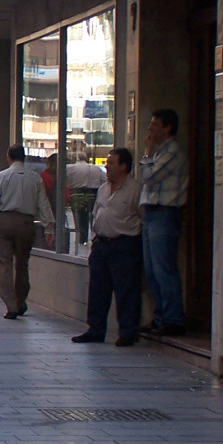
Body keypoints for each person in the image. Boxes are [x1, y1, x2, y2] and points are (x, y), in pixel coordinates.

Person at [72, 148, 143, 347]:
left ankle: (127, 332)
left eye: (111, 163)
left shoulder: (135, 189)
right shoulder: (103, 188)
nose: (107, 166)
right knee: (97, 290)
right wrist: (95, 239)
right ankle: (95, 329)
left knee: (126, 290)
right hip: (101, 245)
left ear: (124, 166)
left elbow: (143, 216)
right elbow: (96, 214)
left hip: (124, 244)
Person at [0, 145, 55, 320]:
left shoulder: (1, 177)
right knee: (22, 264)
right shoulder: (35, 178)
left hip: (3, 222)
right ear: (24, 158)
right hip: (26, 223)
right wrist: (49, 226)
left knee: (3, 265)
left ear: (8, 157)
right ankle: (21, 300)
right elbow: (42, 203)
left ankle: (11, 304)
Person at [139, 108, 189, 337]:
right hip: (152, 214)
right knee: (151, 270)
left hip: (165, 213)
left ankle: (173, 318)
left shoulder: (172, 152)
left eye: (155, 124)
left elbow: (149, 177)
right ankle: (159, 317)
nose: (150, 128)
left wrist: (146, 154)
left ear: (167, 128)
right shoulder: (161, 152)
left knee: (163, 268)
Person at [66, 154, 106, 245]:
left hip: (76, 193)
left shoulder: (70, 168)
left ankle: (81, 238)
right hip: (92, 193)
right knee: (93, 216)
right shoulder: (96, 168)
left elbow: (64, 179)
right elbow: (104, 180)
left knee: (79, 217)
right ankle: (94, 237)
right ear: (86, 159)